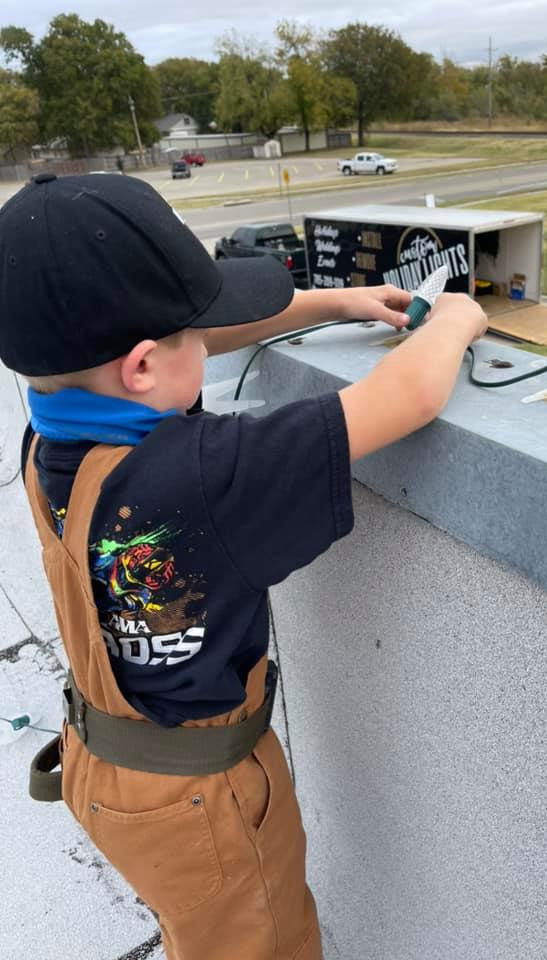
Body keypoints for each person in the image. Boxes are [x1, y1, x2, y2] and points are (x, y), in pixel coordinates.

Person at [0, 172, 487, 960]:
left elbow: (165, 354)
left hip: (109, 773)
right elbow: (410, 393)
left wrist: (332, 301)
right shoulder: (204, 479)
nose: (210, 337)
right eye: (196, 330)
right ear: (142, 367)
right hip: (204, 806)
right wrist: (457, 318)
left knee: (199, 934)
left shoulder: (49, 440)